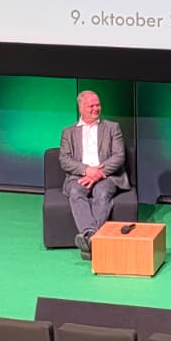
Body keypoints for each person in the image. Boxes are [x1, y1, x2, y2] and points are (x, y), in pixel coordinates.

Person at [58, 89, 127, 259]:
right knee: (75, 192)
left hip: (107, 176)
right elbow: (64, 160)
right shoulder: (68, 132)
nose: (96, 109)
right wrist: (86, 170)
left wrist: (98, 173)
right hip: (79, 176)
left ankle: (89, 239)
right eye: (91, 106)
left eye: (98, 105)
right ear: (81, 108)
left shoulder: (112, 128)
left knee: (101, 193)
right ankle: (92, 236)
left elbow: (119, 156)